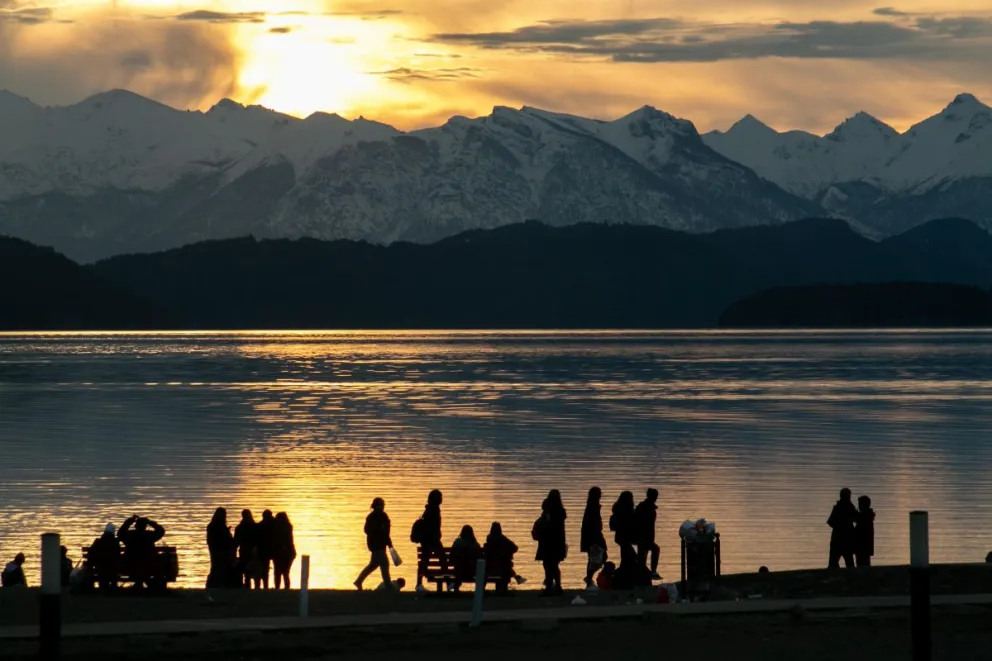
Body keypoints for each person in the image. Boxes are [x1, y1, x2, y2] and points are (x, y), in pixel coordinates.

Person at [355, 497, 393, 591]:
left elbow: (386, 532)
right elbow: (367, 530)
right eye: (380, 505)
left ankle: (359, 581)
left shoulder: (383, 516)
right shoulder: (372, 517)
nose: (382, 506)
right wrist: (379, 531)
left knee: (373, 565)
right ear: (375, 506)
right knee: (384, 564)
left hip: (380, 544)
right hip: (376, 545)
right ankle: (388, 586)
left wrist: (389, 543)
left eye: (383, 504)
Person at [534, 489, 567, 596]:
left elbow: (547, 527)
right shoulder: (560, 512)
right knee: (554, 565)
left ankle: (550, 586)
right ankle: (557, 586)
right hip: (558, 542)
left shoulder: (548, 513)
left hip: (547, 542)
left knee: (548, 565)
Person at [118, 514, 166, 588]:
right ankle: (143, 583)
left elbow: (120, 533)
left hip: (130, 567)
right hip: (149, 567)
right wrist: (150, 522)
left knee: (137, 565)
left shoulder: (130, 535)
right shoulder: (149, 536)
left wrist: (130, 520)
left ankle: (139, 583)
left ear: (135, 526)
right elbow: (161, 531)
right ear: (145, 526)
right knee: (147, 565)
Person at [413, 489, 447, 593]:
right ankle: (448, 581)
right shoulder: (434, 510)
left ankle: (419, 584)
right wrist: (437, 535)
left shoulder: (428, 509)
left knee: (424, 561)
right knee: (443, 560)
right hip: (433, 540)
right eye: (440, 497)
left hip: (426, 540)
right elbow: (433, 526)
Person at [485, 522, 525, 592]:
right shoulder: (503, 539)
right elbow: (515, 547)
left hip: (490, 568)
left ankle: (516, 577)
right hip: (503, 568)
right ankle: (515, 578)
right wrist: (508, 553)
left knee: (504, 564)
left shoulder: (489, 539)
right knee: (506, 565)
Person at [581, 486, 608, 589]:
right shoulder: (593, 507)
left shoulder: (592, 506)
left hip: (591, 536)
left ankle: (589, 578)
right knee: (601, 556)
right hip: (594, 536)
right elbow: (592, 524)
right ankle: (590, 577)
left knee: (593, 558)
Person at [634, 488, 661, 580]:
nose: (656, 498)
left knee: (642, 557)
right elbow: (642, 523)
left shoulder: (645, 507)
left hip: (646, 537)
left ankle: (642, 577)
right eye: (655, 496)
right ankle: (650, 572)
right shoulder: (645, 508)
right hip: (644, 537)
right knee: (654, 550)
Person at [827, 488, 858, 569]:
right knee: (848, 562)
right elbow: (857, 518)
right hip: (845, 539)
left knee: (834, 562)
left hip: (837, 539)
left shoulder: (838, 507)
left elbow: (830, 522)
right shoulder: (849, 507)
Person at [206, 507, 236, 588]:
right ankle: (216, 584)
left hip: (220, 551)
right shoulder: (214, 526)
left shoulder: (217, 526)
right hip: (218, 551)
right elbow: (212, 540)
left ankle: (218, 584)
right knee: (217, 568)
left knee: (218, 568)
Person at [89, 523, 122, 591]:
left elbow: (91, 553)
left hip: (101, 567)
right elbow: (118, 555)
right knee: (112, 568)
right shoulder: (115, 542)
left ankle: (104, 586)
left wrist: (91, 564)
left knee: (103, 570)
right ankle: (113, 586)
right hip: (113, 568)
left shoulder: (98, 541)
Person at [450, 525, 482, 589]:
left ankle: (454, 588)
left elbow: (451, 558)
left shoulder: (457, 543)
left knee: (458, 569)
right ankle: (480, 590)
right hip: (472, 572)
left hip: (459, 571)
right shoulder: (475, 545)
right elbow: (480, 558)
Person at [234, 509, 258, 588]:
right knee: (250, 571)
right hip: (249, 552)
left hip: (247, 552)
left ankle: (248, 587)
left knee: (247, 571)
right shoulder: (254, 526)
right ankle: (252, 587)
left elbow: (236, 542)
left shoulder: (240, 527)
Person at [273, 512, 297, 590]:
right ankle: (286, 588)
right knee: (285, 572)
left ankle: (278, 588)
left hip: (282, 552)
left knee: (278, 572)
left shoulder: (279, 528)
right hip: (289, 552)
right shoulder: (288, 526)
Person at [256, 510, 277, 590]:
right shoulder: (276, 524)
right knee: (269, 570)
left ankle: (266, 586)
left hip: (266, 550)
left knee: (265, 570)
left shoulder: (260, 525)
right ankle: (268, 586)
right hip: (270, 550)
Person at [855, 495, 876, 567]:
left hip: (863, 547)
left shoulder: (865, 517)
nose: (859, 506)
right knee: (865, 564)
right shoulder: (867, 516)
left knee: (862, 565)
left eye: (860, 504)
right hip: (864, 548)